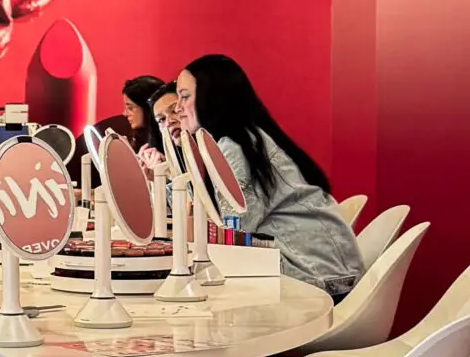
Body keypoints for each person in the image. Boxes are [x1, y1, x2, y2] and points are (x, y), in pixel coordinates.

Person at [175, 55, 363, 300]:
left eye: (184, 96)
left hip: (318, 281)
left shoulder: (237, 148)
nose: (177, 108)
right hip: (327, 273)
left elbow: (234, 231)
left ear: (212, 96)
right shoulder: (250, 139)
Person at [122, 75, 171, 151]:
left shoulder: (170, 138)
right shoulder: (136, 140)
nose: (124, 113)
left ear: (148, 108)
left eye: (130, 108)